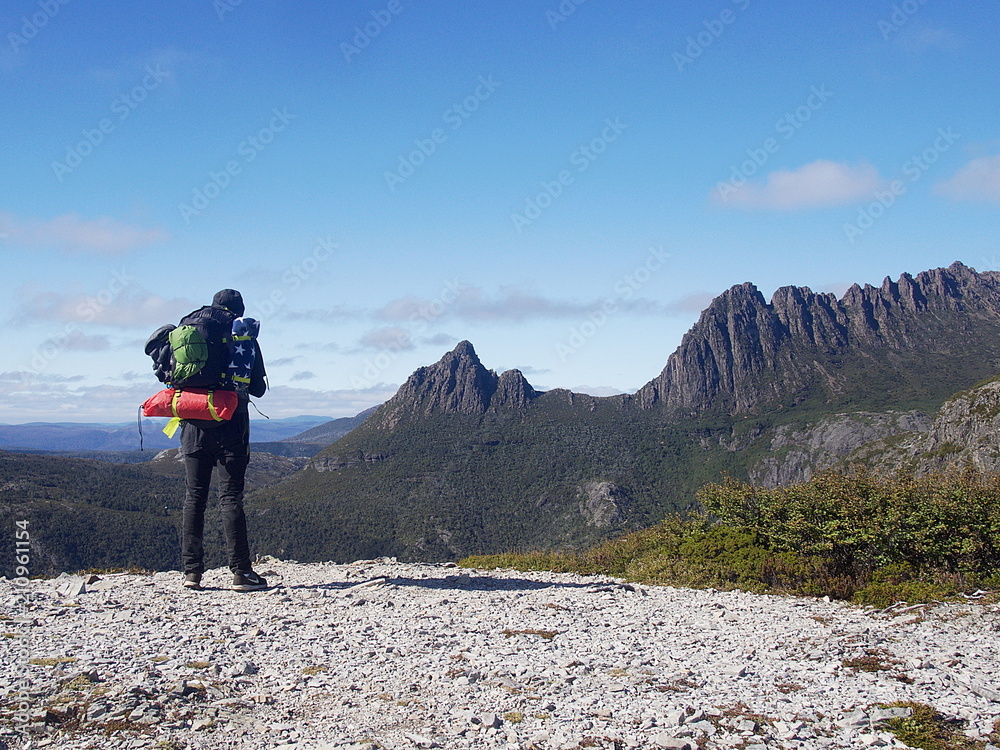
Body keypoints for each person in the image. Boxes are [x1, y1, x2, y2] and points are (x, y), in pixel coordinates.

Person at [180, 289, 269, 592]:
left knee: (195, 497)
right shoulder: (242, 334)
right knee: (229, 497)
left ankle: (192, 573)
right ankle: (242, 573)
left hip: (193, 422)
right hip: (231, 423)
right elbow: (258, 389)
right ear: (239, 310)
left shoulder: (190, 330)